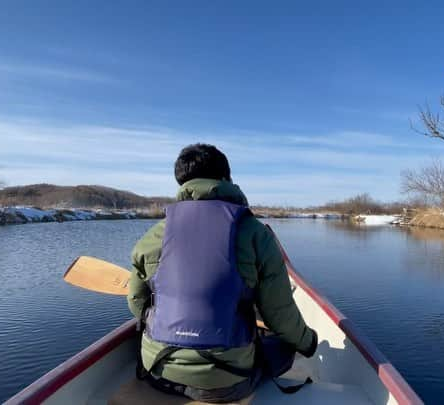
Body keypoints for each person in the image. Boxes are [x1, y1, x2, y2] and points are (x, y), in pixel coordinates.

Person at [127, 143, 318, 403]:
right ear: (226, 178)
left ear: (181, 181)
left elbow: (137, 302)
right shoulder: (254, 233)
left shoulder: (153, 235)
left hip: (158, 371)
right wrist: (308, 343)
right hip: (225, 383)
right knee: (285, 347)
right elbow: (279, 315)